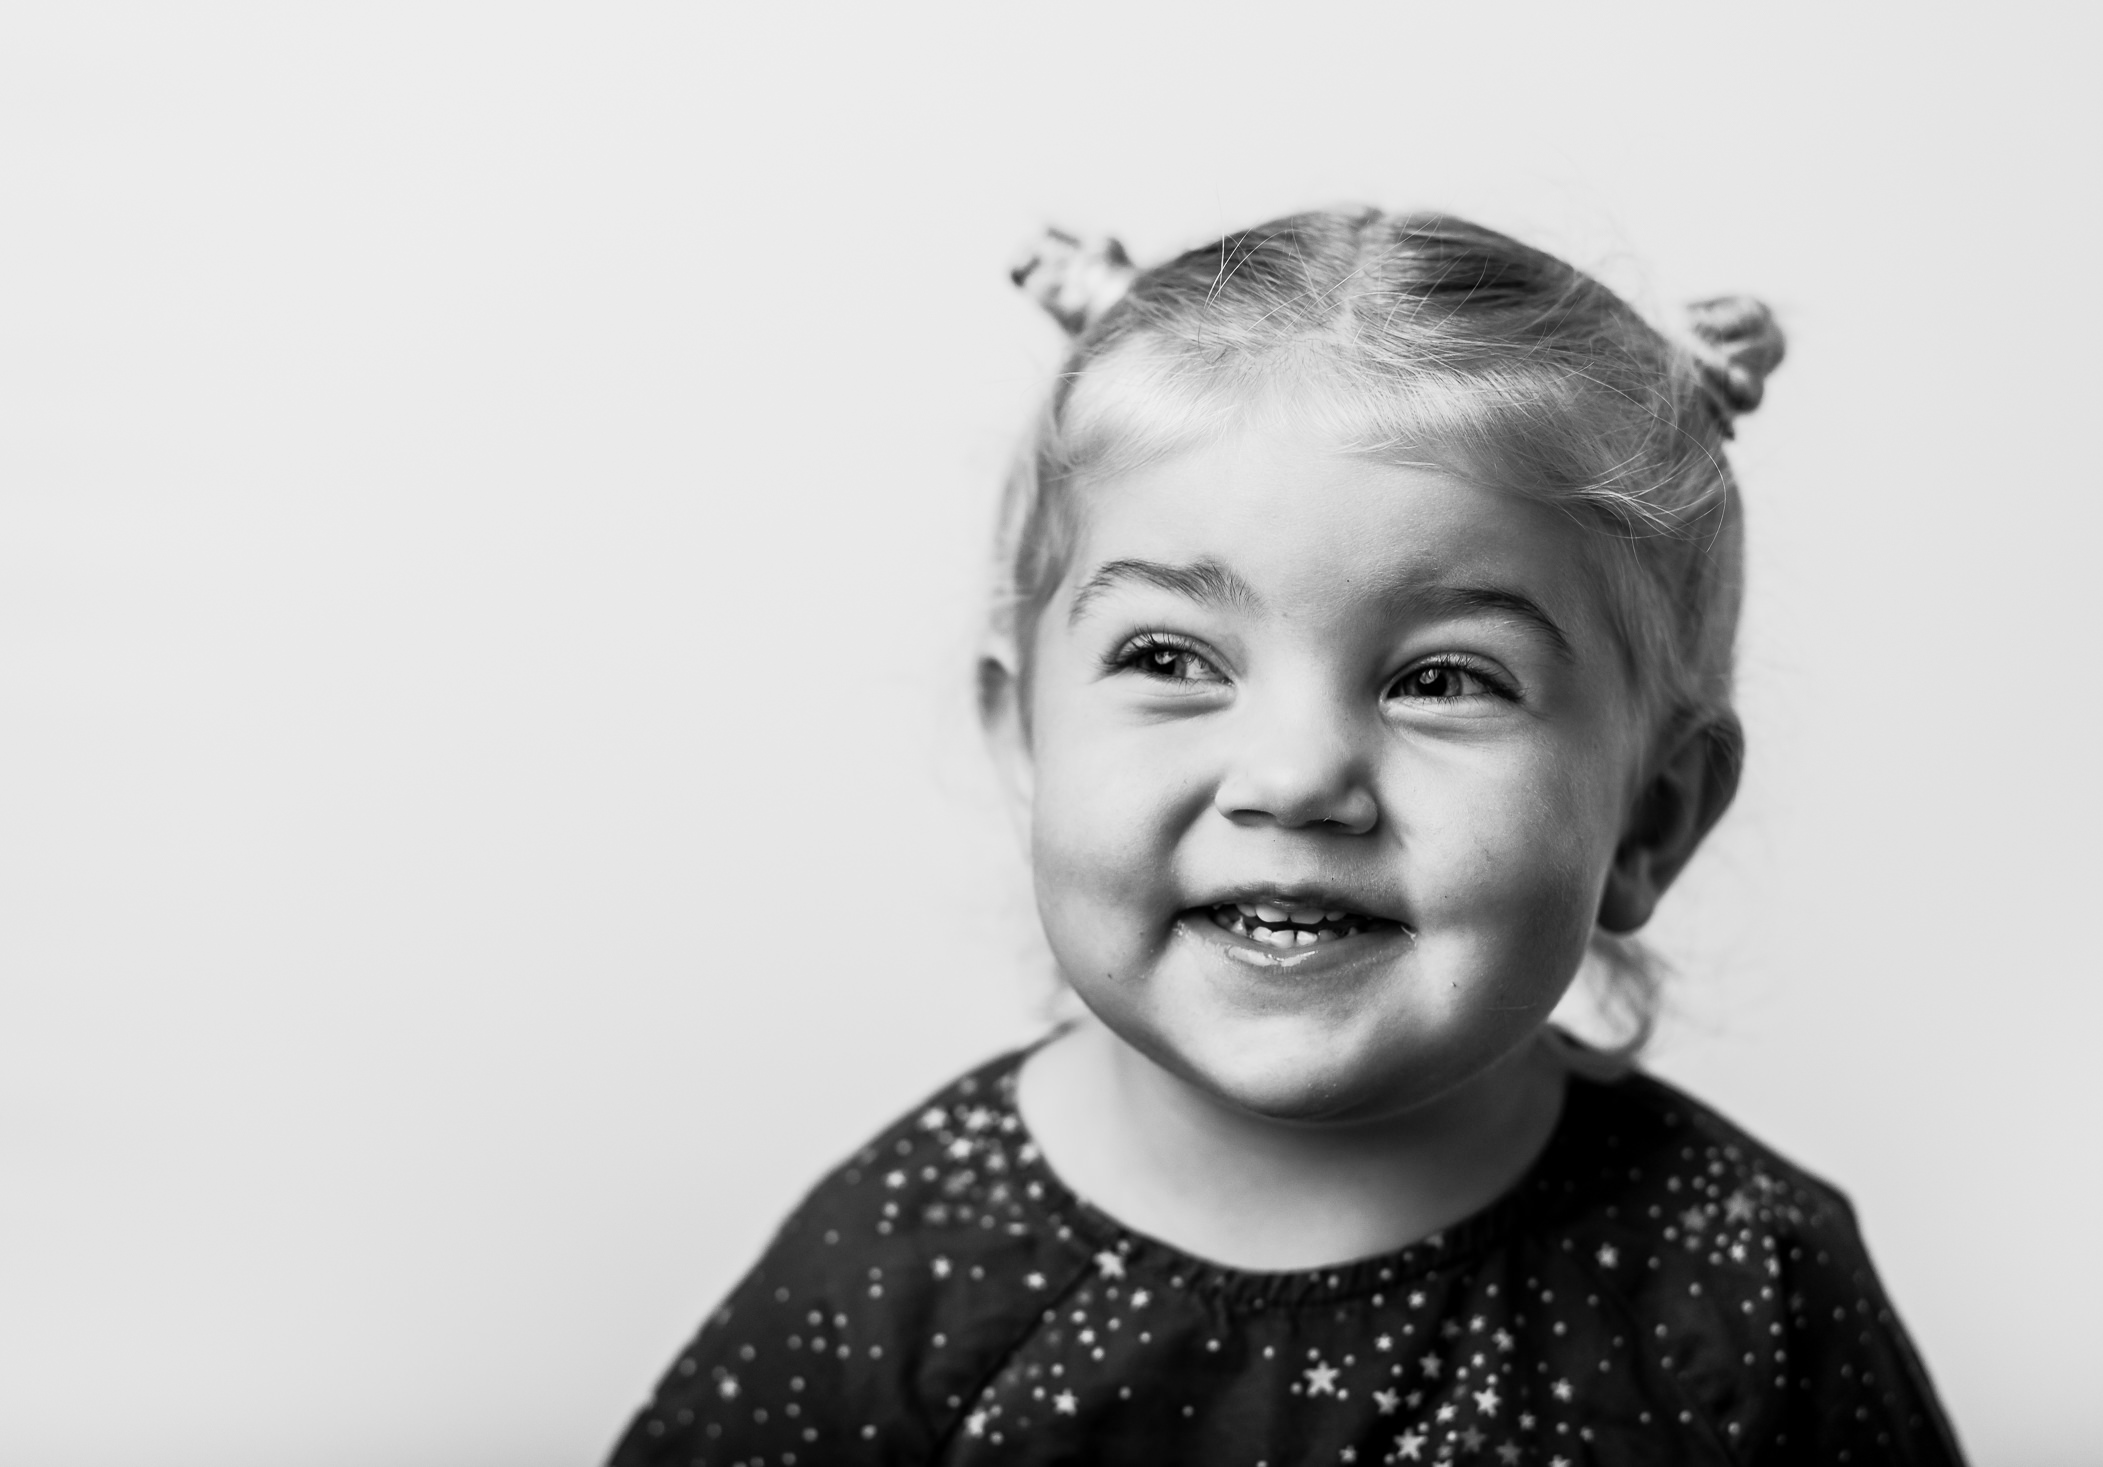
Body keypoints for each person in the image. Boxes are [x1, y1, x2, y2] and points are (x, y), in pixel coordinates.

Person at [606, 208, 1965, 1465]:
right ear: (1028, 743)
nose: (1297, 776)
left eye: (1445, 679)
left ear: (1649, 818)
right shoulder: (899, 1275)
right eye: (1171, 656)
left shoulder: (1744, 1284)